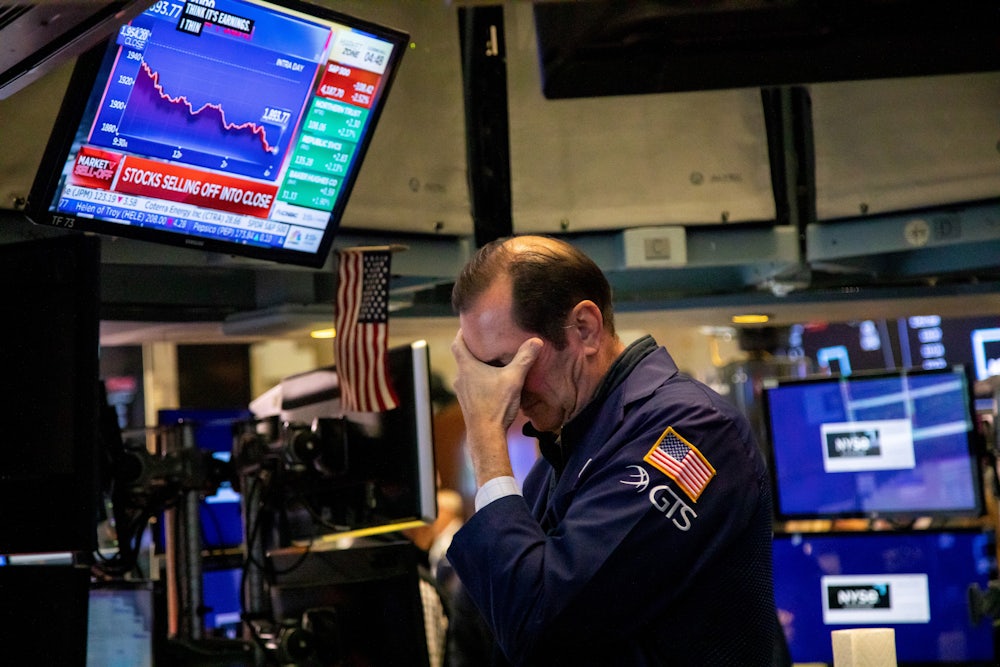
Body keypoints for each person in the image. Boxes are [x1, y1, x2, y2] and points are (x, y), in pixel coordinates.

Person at [446, 235, 782, 666]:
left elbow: (543, 629)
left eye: (506, 364)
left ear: (584, 329)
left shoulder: (692, 430)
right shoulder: (560, 458)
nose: (498, 391)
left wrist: (484, 438)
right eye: (483, 373)